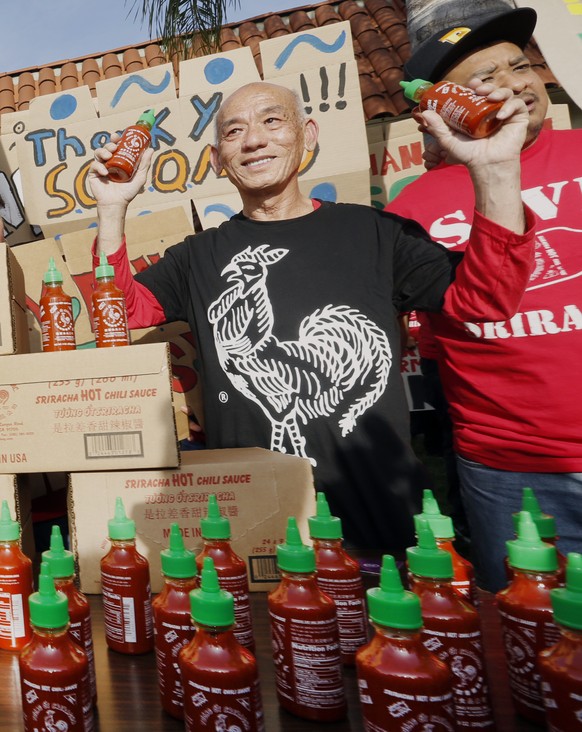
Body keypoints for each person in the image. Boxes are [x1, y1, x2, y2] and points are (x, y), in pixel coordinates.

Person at [88, 80, 533, 555]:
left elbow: (487, 298)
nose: (254, 139)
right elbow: (117, 312)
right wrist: (111, 208)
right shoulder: (198, 255)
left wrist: (496, 170)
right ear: (219, 160)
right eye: (234, 131)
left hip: (377, 518)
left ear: (308, 135)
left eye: (272, 120)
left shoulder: (376, 233)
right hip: (256, 528)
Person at [387, 6, 582, 591]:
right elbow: (432, 338)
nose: (514, 85)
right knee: (539, 645)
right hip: (511, 470)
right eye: (486, 78)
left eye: (519, 66)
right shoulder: (410, 211)